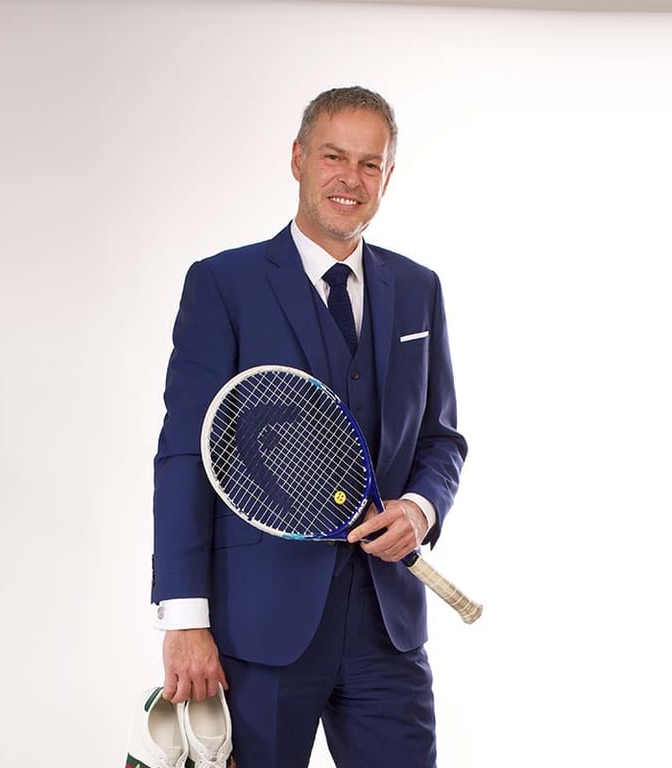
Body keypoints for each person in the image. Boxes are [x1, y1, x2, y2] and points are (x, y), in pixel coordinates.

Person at [151, 85, 467, 768]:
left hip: (389, 632)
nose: (350, 179)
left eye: (369, 163)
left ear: (387, 175)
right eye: (333, 156)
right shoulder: (224, 285)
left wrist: (419, 507)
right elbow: (185, 455)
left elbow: (442, 438)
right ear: (298, 159)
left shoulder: (419, 289)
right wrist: (184, 619)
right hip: (259, 632)